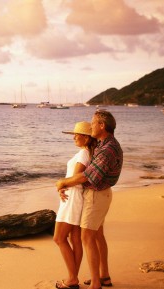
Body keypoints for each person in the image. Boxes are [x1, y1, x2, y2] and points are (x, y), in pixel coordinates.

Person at [56, 110, 123, 289]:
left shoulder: (107, 149)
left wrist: (62, 182)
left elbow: (88, 177)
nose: (91, 125)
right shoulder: (104, 144)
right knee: (98, 236)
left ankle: (95, 284)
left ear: (102, 126)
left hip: (96, 195)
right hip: (101, 194)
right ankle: (104, 276)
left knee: (87, 237)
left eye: (93, 123)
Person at [53, 121, 97, 289]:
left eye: (76, 134)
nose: (74, 137)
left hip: (71, 198)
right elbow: (76, 179)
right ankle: (73, 278)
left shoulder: (84, 154)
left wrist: (61, 185)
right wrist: (63, 186)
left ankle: (72, 279)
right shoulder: (86, 153)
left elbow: (78, 178)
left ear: (86, 137)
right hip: (74, 196)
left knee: (59, 238)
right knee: (75, 238)